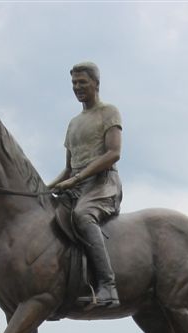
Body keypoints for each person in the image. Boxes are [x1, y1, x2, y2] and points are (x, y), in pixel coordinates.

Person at [48, 62, 123, 308]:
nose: (77, 87)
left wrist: (78, 179)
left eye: (82, 82)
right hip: (77, 185)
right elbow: (69, 168)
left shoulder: (109, 112)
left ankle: (108, 286)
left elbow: (113, 153)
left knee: (82, 215)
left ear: (96, 84)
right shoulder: (73, 123)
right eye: (74, 83)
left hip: (103, 183)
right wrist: (46, 188)